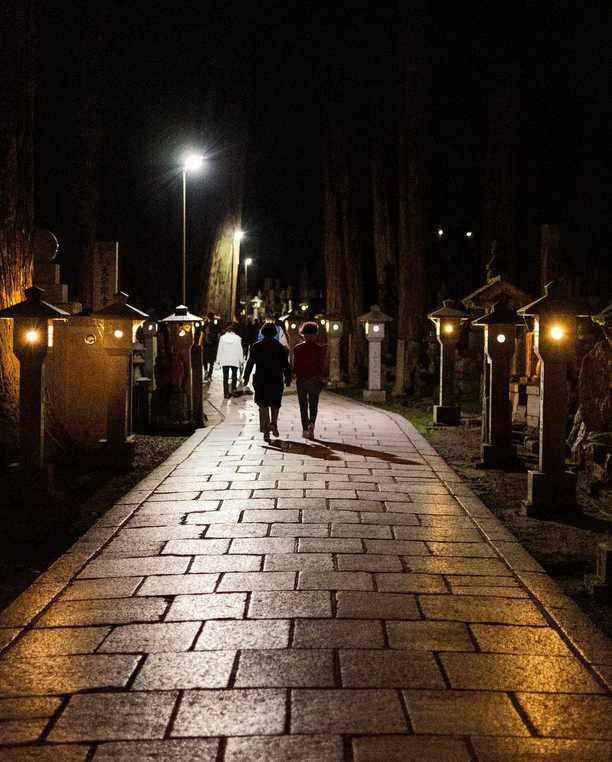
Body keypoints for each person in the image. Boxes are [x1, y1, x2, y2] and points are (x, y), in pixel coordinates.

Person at [243, 321, 291, 443]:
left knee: (263, 404)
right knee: (275, 403)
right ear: (275, 334)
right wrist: (288, 378)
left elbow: (250, 363)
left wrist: (246, 377)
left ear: (262, 333)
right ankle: (274, 423)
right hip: (276, 379)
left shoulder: (256, 346)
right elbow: (285, 365)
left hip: (261, 379)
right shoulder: (280, 348)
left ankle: (266, 430)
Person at [293, 321, 326, 439]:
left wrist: (293, 375)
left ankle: (305, 428)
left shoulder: (297, 348)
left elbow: (296, 365)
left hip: (302, 379)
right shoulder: (320, 349)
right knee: (313, 404)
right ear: (316, 334)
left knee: (303, 405)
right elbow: (321, 365)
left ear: (303, 334)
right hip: (315, 379)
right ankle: (312, 423)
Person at [216, 323, 244, 398]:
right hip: (234, 359)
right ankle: (233, 390)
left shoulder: (222, 338)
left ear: (226, 330)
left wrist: (218, 360)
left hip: (225, 359)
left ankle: (226, 393)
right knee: (234, 375)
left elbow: (220, 349)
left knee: (225, 377)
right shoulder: (238, 338)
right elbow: (240, 350)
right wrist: (241, 360)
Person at [203, 312, 219, 380]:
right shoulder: (216, 326)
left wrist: (200, 344)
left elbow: (202, 336)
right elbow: (218, 336)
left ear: (207, 317)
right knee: (212, 362)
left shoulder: (205, 325)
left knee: (205, 360)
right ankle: (210, 375)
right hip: (213, 346)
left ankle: (206, 372)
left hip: (206, 345)